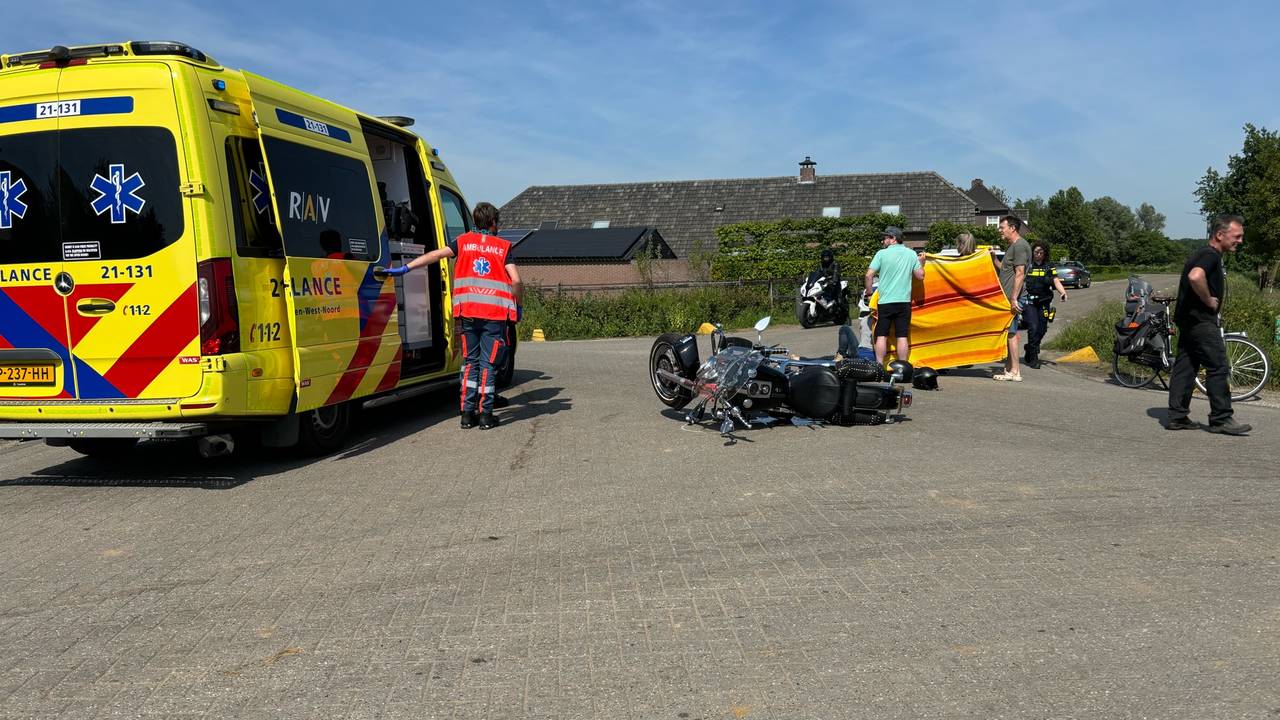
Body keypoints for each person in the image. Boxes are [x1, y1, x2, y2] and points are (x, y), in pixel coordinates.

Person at [385, 202, 522, 429]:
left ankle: (467, 415)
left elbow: (434, 255)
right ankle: (486, 415)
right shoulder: (503, 247)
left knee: (470, 362)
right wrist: (518, 306)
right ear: (493, 223)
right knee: (488, 364)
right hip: (494, 316)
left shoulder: (463, 242)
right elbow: (516, 281)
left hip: (467, 314)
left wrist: (406, 268)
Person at [1166, 214, 1251, 435]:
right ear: (1220, 235)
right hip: (1202, 321)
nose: (1240, 241)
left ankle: (1177, 417)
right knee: (1218, 366)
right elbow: (1196, 277)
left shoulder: (1199, 253)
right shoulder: (1210, 255)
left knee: (1185, 368)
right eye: (1237, 236)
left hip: (1188, 321)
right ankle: (1221, 418)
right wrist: (1207, 299)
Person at [863, 226, 924, 365]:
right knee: (902, 336)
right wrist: (921, 264)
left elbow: (868, 275)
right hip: (903, 302)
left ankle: (879, 366)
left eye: (885, 238)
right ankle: (903, 367)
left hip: (885, 302)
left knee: (881, 335)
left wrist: (869, 293)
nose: (882, 241)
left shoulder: (881, 254)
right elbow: (920, 276)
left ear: (893, 239)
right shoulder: (911, 254)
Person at [993, 215, 1031, 381]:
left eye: (1002, 227)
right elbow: (1006, 270)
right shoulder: (1013, 247)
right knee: (1011, 333)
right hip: (1009, 297)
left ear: (1012, 228)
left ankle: (1015, 371)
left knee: (1011, 334)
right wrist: (994, 259)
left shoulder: (1020, 246)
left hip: (1013, 298)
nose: (1000, 230)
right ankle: (1010, 368)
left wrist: (1014, 298)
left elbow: (1020, 273)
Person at [1021, 242, 1068, 369]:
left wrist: (1062, 292)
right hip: (1029, 302)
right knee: (1033, 326)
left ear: (1045, 253)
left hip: (1044, 302)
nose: (1038, 255)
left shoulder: (1049, 266)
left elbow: (1055, 280)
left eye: (1041, 252)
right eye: (1036, 252)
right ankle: (1034, 356)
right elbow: (1015, 276)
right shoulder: (1027, 265)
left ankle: (1030, 347)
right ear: (1032, 252)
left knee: (1042, 329)